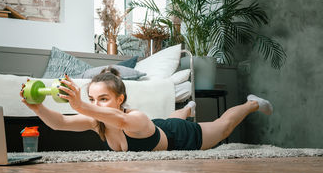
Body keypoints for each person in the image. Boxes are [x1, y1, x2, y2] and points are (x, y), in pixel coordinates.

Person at [20, 67, 273, 151]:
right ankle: (187, 108)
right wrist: (37, 106)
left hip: (179, 137)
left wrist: (81, 105)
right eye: (93, 100)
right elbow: (59, 123)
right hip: (159, 128)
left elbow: (117, 121)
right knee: (172, 118)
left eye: (104, 99)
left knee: (222, 127)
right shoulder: (95, 120)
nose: (96, 105)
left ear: (120, 99)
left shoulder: (135, 118)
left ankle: (252, 103)